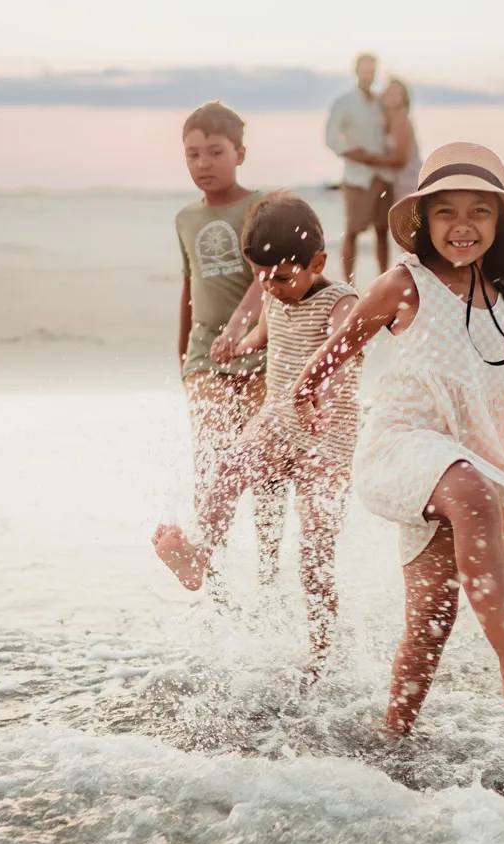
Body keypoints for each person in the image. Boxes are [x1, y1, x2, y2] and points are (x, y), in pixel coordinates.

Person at [291, 142, 504, 736]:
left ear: (500, 223)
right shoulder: (404, 284)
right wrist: (309, 394)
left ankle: (394, 734)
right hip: (402, 446)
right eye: (446, 212)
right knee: (471, 491)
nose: (462, 226)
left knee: (432, 618)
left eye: (479, 213)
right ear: (424, 221)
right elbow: (337, 351)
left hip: (471, 460)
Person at [154, 194, 362, 661]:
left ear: (318, 263)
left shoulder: (339, 300)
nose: (273, 287)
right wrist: (238, 344)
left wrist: (321, 394)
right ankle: (199, 556)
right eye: (261, 277)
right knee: (229, 467)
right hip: (276, 421)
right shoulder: (273, 290)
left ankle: (322, 653)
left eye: (283, 277)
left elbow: (344, 343)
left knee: (315, 555)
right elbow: (265, 332)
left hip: (326, 440)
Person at [174, 101, 286, 585]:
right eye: (193, 154)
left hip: (264, 352)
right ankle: (205, 559)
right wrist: (183, 356)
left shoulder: (261, 207)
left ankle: (268, 561)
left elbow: (270, 277)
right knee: (211, 447)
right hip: (204, 353)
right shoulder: (184, 218)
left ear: (239, 153)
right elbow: (189, 284)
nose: (203, 164)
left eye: (215, 152)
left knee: (264, 461)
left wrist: (241, 332)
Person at [324, 53, 394, 284]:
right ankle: (349, 284)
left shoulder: (380, 102)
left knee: (383, 231)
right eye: (364, 70)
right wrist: (357, 155)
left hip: (384, 175)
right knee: (352, 231)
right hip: (357, 176)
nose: (368, 74)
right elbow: (331, 137)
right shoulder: (344, 102)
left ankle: (383, 281)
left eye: (372, 70)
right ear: (356, 71)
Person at [379, 77, 422, 203]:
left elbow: (401, 159)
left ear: (403, 98)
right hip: (398, 181)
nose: (391, 95)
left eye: (396, 93)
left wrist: (370, 158)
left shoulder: (402, 121)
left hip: (409, 181)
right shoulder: (387, 120)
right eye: (389, 90)